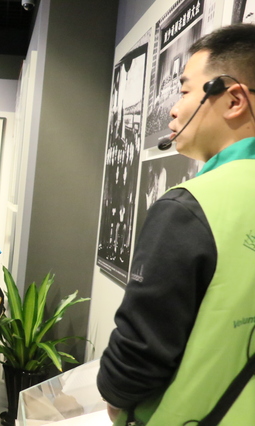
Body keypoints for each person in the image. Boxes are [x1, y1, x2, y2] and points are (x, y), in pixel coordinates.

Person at [97, 23, 255, 425]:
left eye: (185, 91)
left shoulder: (190, 207)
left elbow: (134, 362)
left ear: (233, 99)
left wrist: (115, 394)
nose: (173, 108)